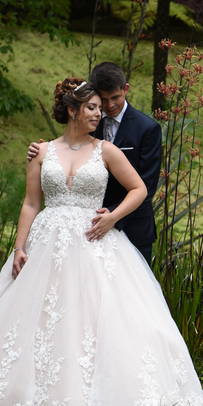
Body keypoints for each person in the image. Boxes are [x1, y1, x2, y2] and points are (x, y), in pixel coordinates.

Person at [0, 78, 203, 406]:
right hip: (45, 243)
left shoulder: (107, 150)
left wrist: (111, 216)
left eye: (100, 107)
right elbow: (31, 202)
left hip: (92, 242)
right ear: (72, 111)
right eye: (93, 107)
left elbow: (140, 188)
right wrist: (19, 248)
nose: (100, 113)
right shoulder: (42, 151)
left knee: (92, 322)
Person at [28, 63, 162, 263]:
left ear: (126, 89)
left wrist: (113, 216)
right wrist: (44, 153)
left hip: (132, 225)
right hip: (85, 228)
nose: (108, 106)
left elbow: (146, 186)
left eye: (115, 97)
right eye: (103, 100)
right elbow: (71, 149)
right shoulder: (88, 121)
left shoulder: (147, 129)